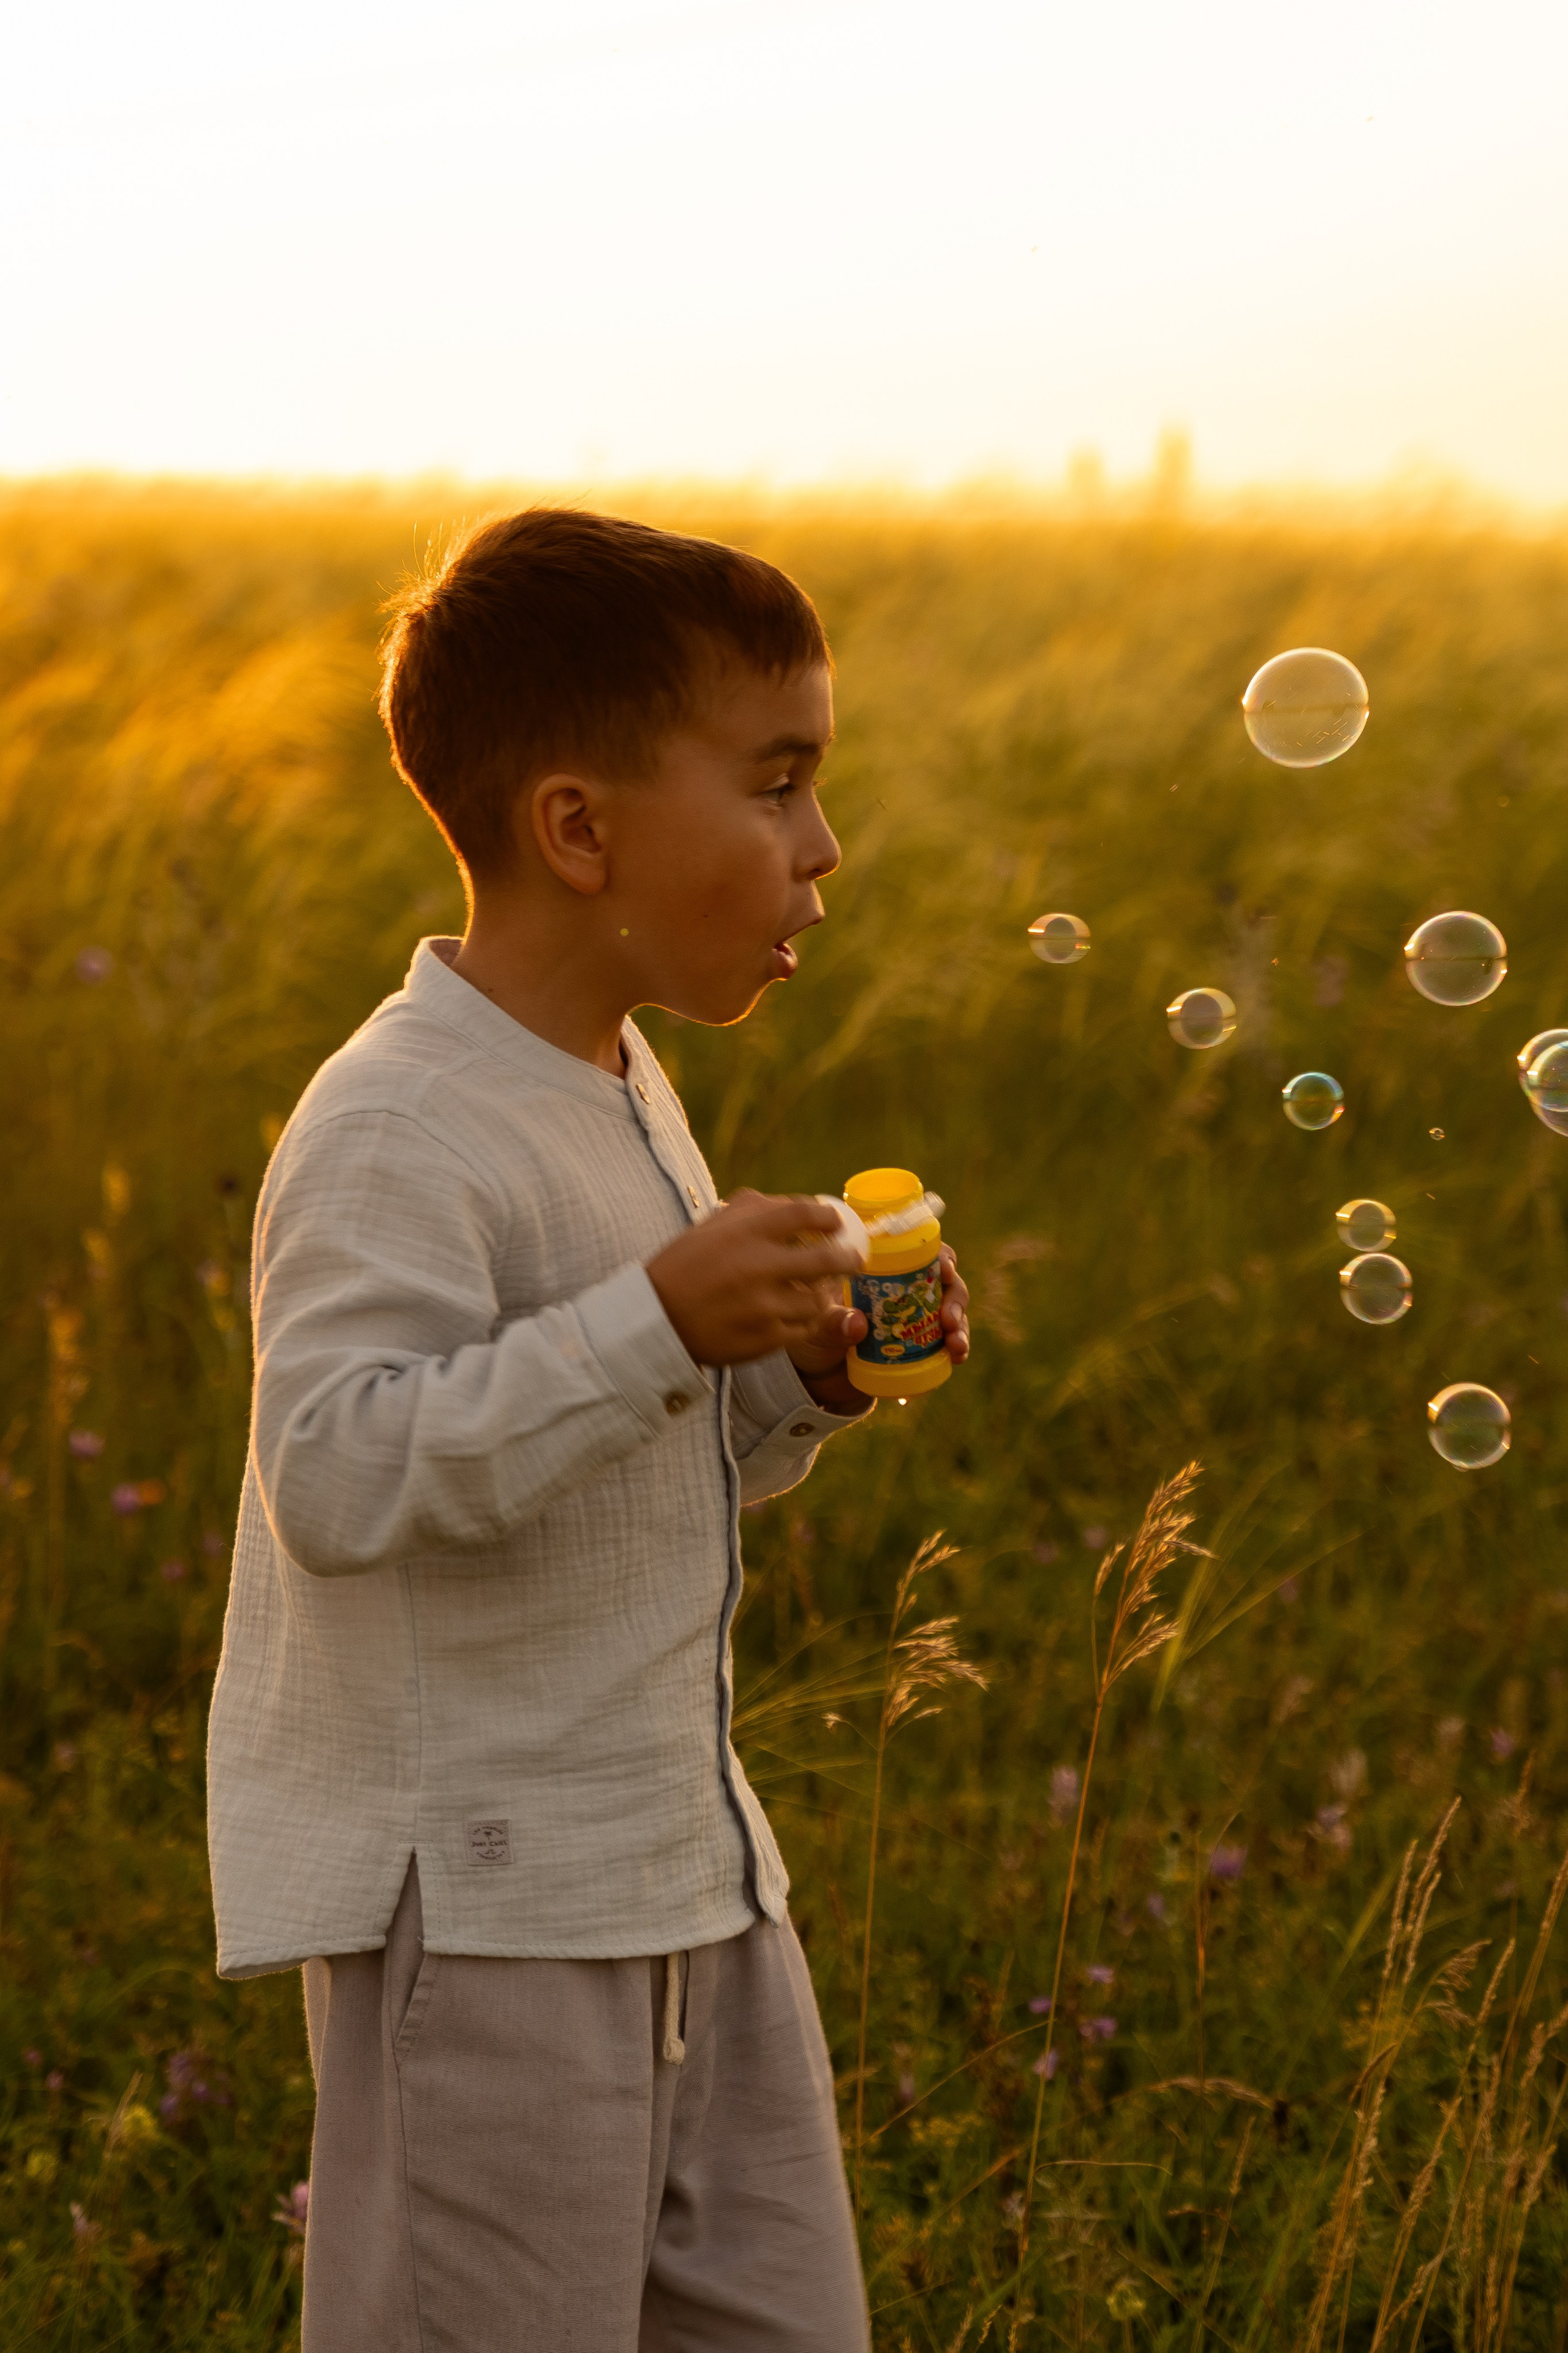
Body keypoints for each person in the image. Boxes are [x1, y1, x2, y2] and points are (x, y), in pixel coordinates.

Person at [205, 508, 970, 2352]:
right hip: (488, 1919)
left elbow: (617, 1453)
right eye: (778, 784)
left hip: (691, 1876)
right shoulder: (402, 1121)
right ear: (578, 827)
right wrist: (654, 1318)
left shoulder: (624, 1080)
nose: (822, 847)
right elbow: (343, 1468)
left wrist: (794, 1381)